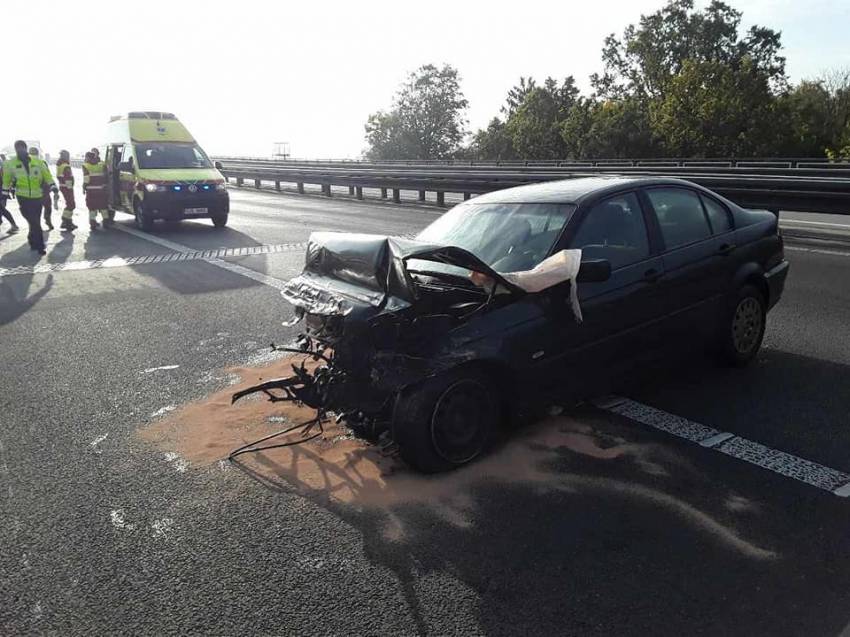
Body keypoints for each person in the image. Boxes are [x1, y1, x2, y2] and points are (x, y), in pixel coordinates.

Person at [1, 140, 57, 255]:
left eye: (22, 148)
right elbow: (6, 180)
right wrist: (4, 194)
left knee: (34, 221)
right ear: (16, 149)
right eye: (18, 148)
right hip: (23, 198)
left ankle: (32, 240)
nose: (20, 150)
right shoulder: (10, 163)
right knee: (34, 222)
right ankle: (40, 245)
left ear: (25, 148)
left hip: (37, 197)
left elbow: (47, 175)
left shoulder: (38, 161)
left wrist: (53, 186)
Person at [82, 151, 109, 229]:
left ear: (88, 157)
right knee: (103, 206)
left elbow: (86, 179)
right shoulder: (102, 165)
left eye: (86, 157)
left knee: (92, 207)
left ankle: (92, 223)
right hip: (101, 190)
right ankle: (106, 221)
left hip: (91, 191)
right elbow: (106, 176)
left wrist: (84, 187)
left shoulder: (85, 166)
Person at [29, 147, 54, 230]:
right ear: (37, 153)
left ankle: (35, 224)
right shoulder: (42, 162)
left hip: (31, 189)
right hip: (43, 188)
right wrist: (51, 186)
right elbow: (47, 175)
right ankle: (48, 220)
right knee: (47, 206)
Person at [55, 150, 77, 231]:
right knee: (71, 204)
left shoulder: (59, 164)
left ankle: (68, 222)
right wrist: (70, 188)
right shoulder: (65, 166)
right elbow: (68, 178)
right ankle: (65, 220)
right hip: (67, 187)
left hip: (62, 186)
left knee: (69, 204)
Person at [0, 154, 20, 234]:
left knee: (2, 208)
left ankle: (14, 225)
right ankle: (14, 225)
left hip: (2, 189)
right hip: (3, 188)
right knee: (2, 209)